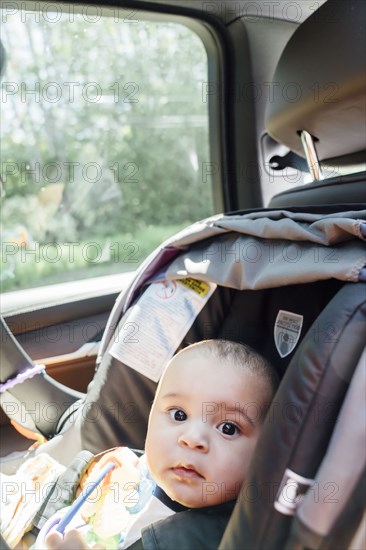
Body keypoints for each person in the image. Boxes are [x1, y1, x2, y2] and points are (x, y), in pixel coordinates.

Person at [45, 339, 278, 549]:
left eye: (228, 428)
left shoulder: (229, 538)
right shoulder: (124, 469)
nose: (192, 439)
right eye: (178, 415)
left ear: (264, 453)